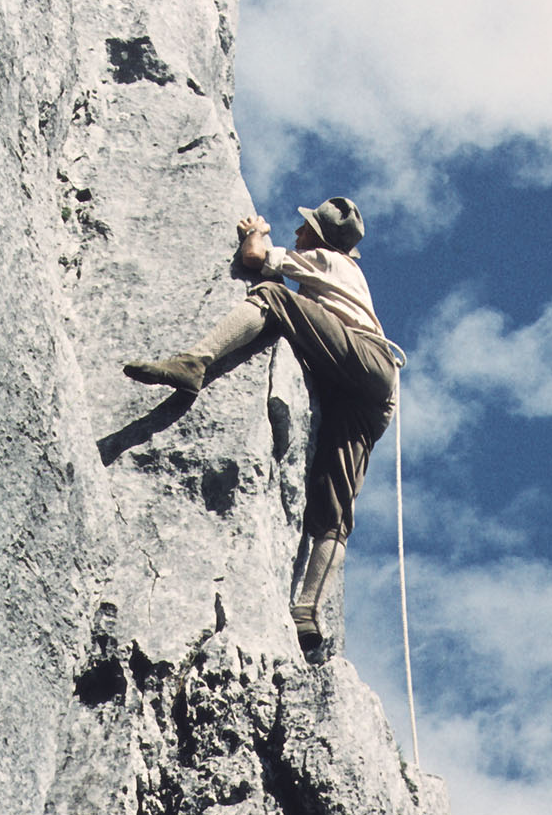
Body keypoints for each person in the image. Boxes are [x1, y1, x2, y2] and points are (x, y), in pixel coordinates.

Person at [124, 196, 398, 652]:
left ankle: (196, 361)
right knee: (335, 507)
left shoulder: (323, 259)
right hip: (371, 393)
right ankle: (307, 612)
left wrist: (257, 230)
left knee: (272, 297)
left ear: (320, 238)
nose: (298, 234)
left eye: (305, 228)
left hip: (364, 358)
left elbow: (255, 260)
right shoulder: (342, 270)